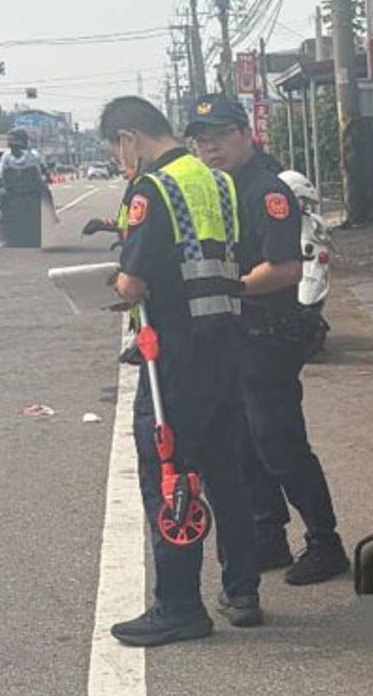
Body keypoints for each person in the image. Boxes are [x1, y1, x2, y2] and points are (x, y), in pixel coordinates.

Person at [100, 95, 262, 646]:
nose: (124, 162)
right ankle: (243, 589)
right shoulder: (215, 182)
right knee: (226, 475)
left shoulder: (154, 189)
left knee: (168, 476)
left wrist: (114, 285)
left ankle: (179, 606)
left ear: (128, 139)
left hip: (174, 358)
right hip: (224, 345)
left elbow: (135, 283)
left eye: (118, 152)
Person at [187, 93, 349, 585]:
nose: (209, 146)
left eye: (218, 134)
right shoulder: (218, 188)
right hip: (234, 332)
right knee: (241, 439)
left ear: (244, 133)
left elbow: (283, 269)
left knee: (278, 441)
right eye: (201, 138)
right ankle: (268, 535)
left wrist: (226, 289)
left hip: (268, 332)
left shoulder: (266, 190)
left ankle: (326, 542)